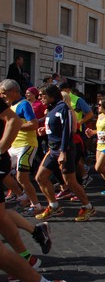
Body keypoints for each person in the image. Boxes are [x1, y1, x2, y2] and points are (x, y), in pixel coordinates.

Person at [34, 85, 96, 222]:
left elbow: (68, 131)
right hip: (52, 149)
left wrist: (63, 152)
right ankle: (54, 206)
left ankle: (88, 206)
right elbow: (56, 127)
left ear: (51, 95)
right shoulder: (51, 108)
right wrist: (46, 130)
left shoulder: (64, 108)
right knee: (40, 177)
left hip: (65, 149)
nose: (39, 98)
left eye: (42, 95)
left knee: (71, 182)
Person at [0, 79, 44, 216]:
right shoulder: (8, 106)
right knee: (3, 173)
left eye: (3, 93)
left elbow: (34, 124)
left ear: (13, 91)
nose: (2, 96)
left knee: (22, 178)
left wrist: (15, 125)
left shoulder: (24, 105)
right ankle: (22, 197)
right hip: (12, 146)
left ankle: (36, 205)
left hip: (26, 145)